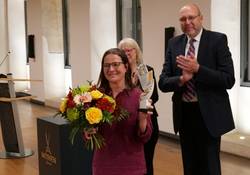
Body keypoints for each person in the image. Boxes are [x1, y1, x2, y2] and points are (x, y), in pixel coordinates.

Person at [158, 3, 235, 175]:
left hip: (210, 114)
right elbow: (162, 82)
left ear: (201, 18)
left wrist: (198, 69)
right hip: (184, 113)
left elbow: (228, 79)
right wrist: (181, 79)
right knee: (190, 165)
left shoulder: (217, 40)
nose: (187, 22)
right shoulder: (174, 43)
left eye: (191, 17)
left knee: (210, 166)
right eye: (183, 19)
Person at [92, 48, 152, 175]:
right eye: (107, 65)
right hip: (102, 166)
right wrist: (87, 132)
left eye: (115, 64)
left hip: (131, 167)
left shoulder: (139, 96)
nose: (111, 69)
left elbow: (145, 136)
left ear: (125, 67)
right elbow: (90, 136)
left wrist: (142, 119)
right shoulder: (96, 96)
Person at [118, 38, 159, 175]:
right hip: (125, 122)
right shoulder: (118, 72)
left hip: (147, 121)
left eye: (129, 50)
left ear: (136, 52)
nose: (127, 53)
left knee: (147, 161)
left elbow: (154, 97)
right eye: (123, 51)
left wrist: (136, 86)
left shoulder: (144, 70)